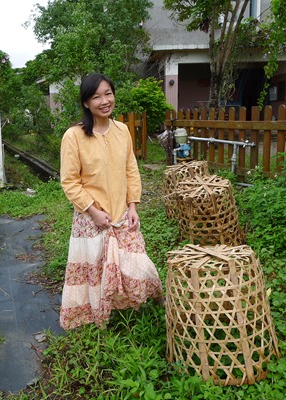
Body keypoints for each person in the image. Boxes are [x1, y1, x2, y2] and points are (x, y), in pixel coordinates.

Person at [59, 73, 163, 330]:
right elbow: (69, 181)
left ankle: (127, 303)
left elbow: (131, 168)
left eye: (108, 94)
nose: (104, 101)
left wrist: (132, 206)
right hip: (92, 217)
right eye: (96, 97)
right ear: (86, 103)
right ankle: (96, 316)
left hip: (121, 214)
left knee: (136, 263)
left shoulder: (122, 130)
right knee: (95, 272)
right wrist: (93, 211)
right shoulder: (74, 136)